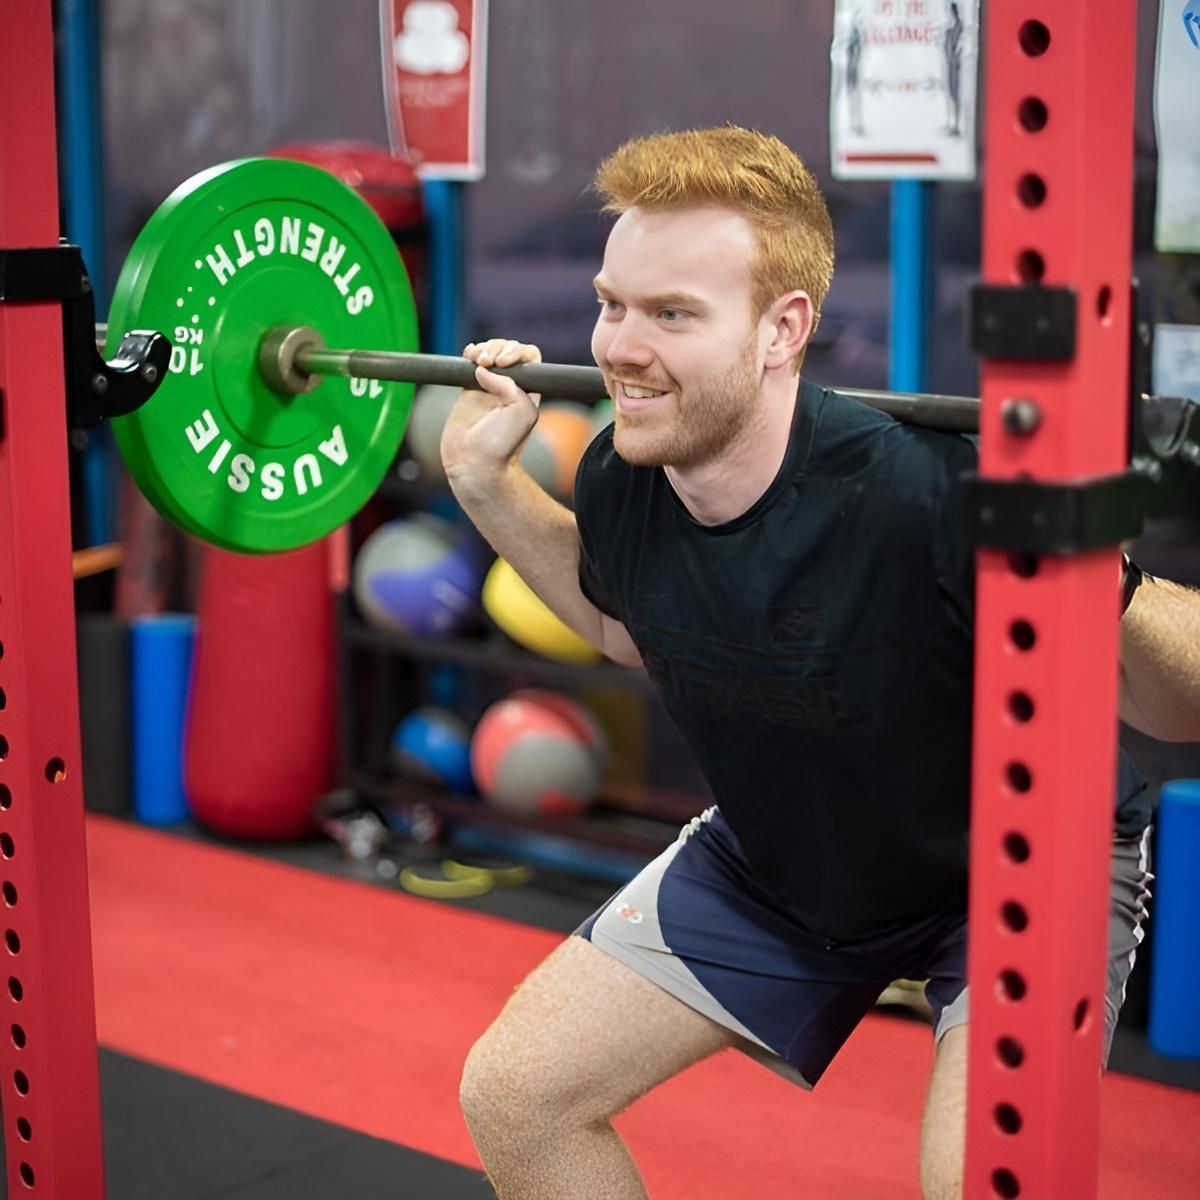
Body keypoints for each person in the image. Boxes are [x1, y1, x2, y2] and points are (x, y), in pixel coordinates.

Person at [441, 126, 1184, 1199]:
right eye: (612, 303)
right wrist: (485, 486)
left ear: (784, 327)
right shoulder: (621, 474)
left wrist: (1100, 582)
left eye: (673, 314)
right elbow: (621, 627)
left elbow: (1170, 707)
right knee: (518, 1095)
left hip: (1018, 872)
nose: (618, 347)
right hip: (786, 859)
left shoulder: (923, 492)